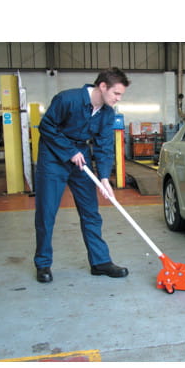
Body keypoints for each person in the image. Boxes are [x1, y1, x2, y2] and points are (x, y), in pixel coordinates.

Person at [34, 67, 131, 283]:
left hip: (81, 157)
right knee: (46, 212)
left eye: (121, 95)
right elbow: (46, 126)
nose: (118, 98)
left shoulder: (107, 113)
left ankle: (100, 262)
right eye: (116, 93)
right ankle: (43, 264)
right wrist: (69, 151)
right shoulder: (67, 99)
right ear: (102, 86)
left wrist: (104, 178)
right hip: (53, 156)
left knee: (90, 211)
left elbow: (104, 146)